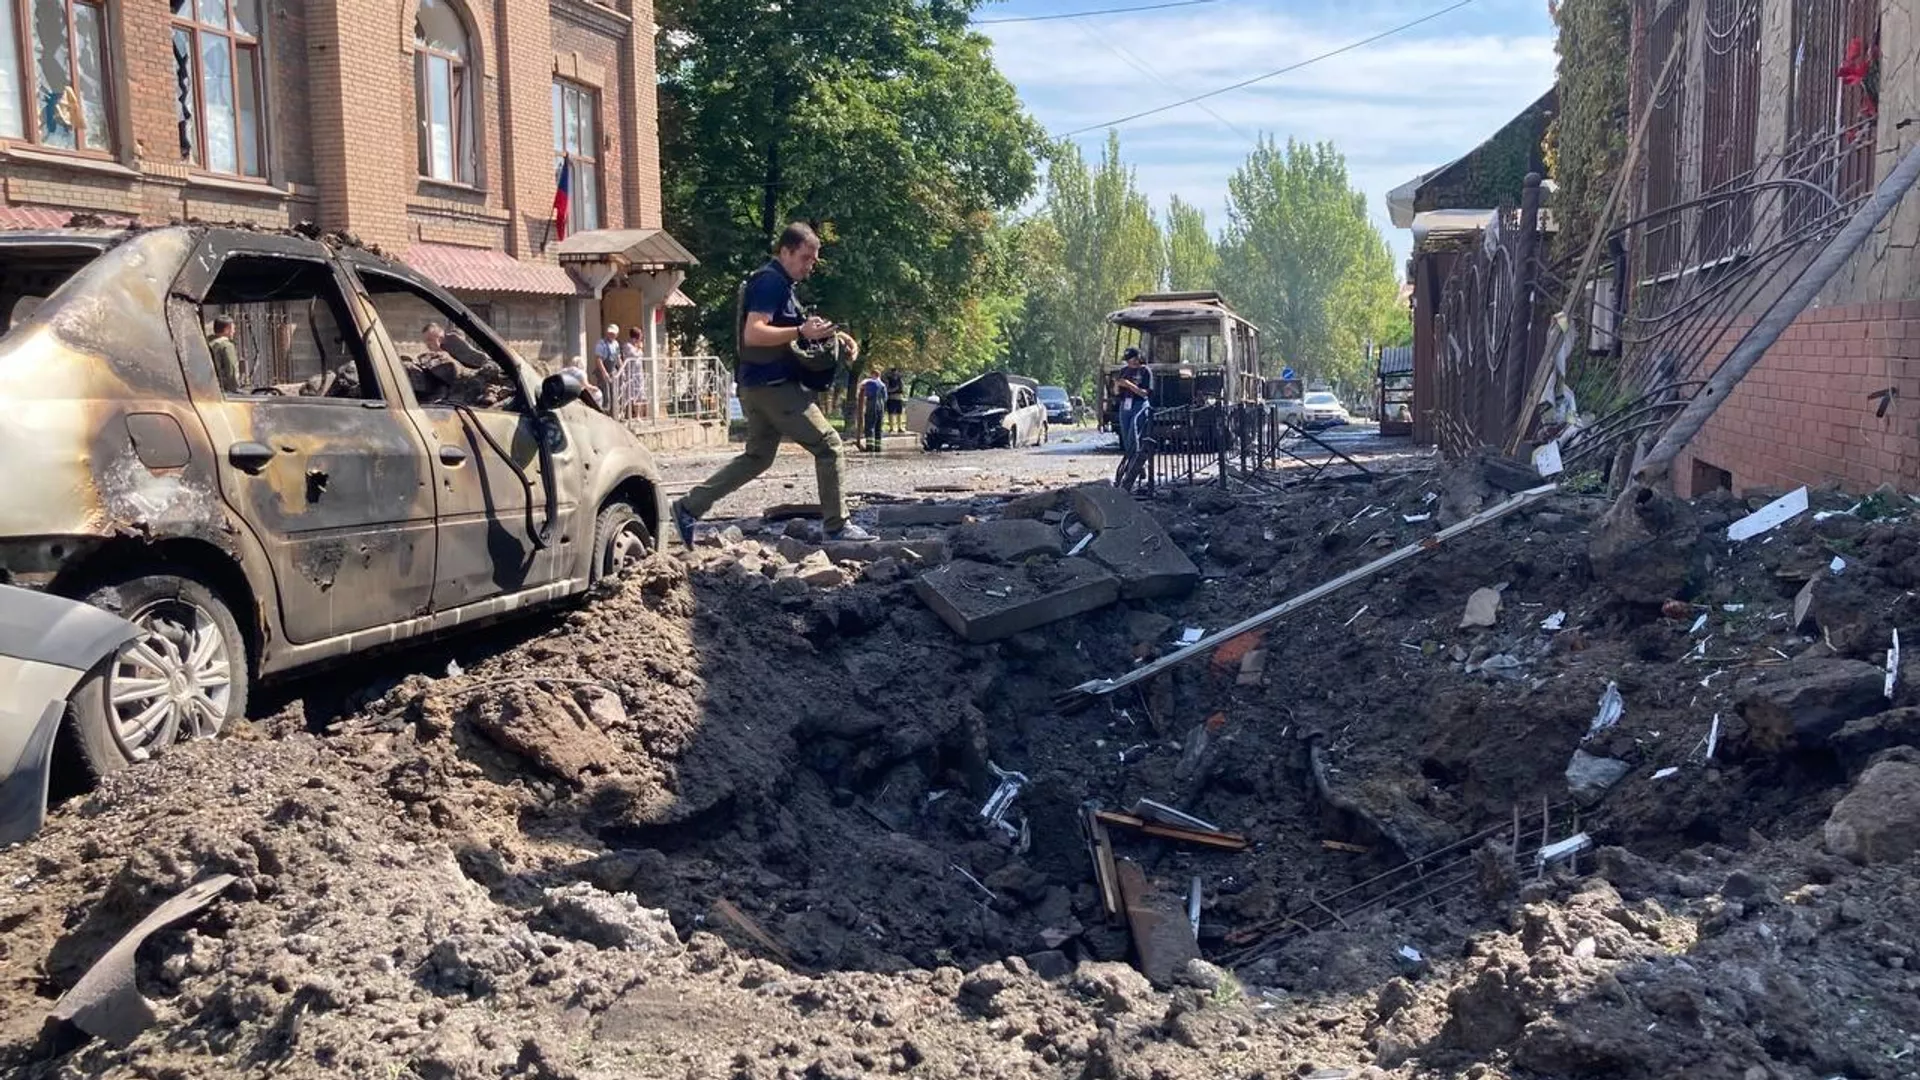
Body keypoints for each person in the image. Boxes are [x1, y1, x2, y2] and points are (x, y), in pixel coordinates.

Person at [671, 222, 874, 547]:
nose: (810, 265)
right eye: (806, 258)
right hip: (774, 386)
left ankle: (687, 508)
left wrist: (833, 335)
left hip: (757, 386)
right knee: (829, 444)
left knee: (758, 457)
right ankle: (836, 527)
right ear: (785, 251)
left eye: (813, 260)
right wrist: (801, 332)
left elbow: (792, 329)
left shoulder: (781, 285)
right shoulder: (770, 282)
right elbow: (755, 332)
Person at [1114, 346, 1154, 457]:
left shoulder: (1145, 371)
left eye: (1132, 359)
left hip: (1139, 403)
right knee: (1126, 434)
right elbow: (1117, 393)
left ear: (1137, 358)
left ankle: (1137, 459)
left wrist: (1129, 385)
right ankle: (1132, 461)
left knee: (1134, 433)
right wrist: (1117, 385)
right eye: (1128, 360)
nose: (1130, 362)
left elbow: (1145, 393)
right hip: (1125, 404)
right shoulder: (1123, 371)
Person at [592, 323, 624, 415]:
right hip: (603, 371)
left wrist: (622, 370)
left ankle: (614, 414)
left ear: (617, 334)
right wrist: (604, 372)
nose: (611, 335)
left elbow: (618, 358)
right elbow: (598, 359)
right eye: (610, 333)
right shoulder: (601, 343)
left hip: (612, 371)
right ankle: (605, 413)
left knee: (614, 393)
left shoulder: (616, 344)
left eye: (613, 334)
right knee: (605, 394)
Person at [208, 314, 240, 392]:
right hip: (222, 390)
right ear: (227, 329)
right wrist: (234, 388)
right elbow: (231, 368)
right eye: (233, 329)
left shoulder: (206, 343)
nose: (234, 331)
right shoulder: (226, 345)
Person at [858, 370, 888, 452]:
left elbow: (868, 394)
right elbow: (885, 398)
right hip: (880, 407)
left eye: (871, 375)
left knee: (870, 426)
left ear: (874, 375)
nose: (870, 377)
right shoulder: (883, 385)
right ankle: (878, 447)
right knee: (878, 427)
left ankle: (869, 446)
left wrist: (863, 387)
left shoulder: (871, 383)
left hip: (872, 406)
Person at [622, 326, 648, 419]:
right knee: (630, 395)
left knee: (640, 394)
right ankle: (628, 415)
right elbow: (633, 355)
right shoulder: (627, 346)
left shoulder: (638, 346)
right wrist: (639, 348)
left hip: (639, 373)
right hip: (631, 373)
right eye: (640, 336)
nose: (640, 339)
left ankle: (638, 416)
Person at [883, 367, 906, 433]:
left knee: (899, 413)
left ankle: (899, 427)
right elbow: (886, 390)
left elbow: (902, 389)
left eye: (896, 372)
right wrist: (894, 389)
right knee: (891, 413)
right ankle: (891, 428)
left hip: (899, 398)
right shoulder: (888, 380)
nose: (895, 373)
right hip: (891, 398)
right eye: (893, 372)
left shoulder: (900, 380)